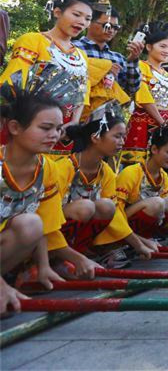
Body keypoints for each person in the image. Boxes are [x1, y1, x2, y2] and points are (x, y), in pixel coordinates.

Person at [0, 64, 81, 314]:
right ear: (14, 127)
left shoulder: (47, 167)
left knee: (31, 224)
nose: (55, 135)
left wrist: (44, 265)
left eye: (58, 129)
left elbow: (45, 223)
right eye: (45, 128)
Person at [0, 0, 107, 157]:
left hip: (64, 130)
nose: (82, 22)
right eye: (76, 14)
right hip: (30, 122)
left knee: (55, 176)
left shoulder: (81, 55)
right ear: (57, 12)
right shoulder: (33, 40)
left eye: (87, 18)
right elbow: (12, 82)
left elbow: (82, 91)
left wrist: (73, 122)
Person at [60, 102, 154, 268]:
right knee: (86, 207)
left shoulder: (106, 172)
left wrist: (138, 243)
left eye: (123, 137)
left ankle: (84, 251)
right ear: (96, 137)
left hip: (76, 235)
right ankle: (59, 257)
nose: (122, 142)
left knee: (107, 206)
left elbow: (115, 213)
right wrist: (138, 244)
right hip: (52, 235)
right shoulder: (64, 167)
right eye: (117, 136)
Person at [113, 127, 168, 247]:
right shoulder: (131, 172)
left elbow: (164, 216)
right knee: (157, 203)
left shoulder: (164, 177)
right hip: (121, 226)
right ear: (154, 149)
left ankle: (149, 237)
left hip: (142, 227)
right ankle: (133, 241)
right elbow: (117, 213)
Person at [119, 22, 168, 168]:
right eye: (162, 46)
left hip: (164, 125)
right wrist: (161, 121)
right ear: (148, 47)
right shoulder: (140, 66)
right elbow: (144, 97)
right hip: (143, 122)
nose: (167, 51)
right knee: (136, 165)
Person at [74, 6, 143, 97]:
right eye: (107, 26)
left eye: (116, 27)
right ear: (89, 23)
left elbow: (132, 89)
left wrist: (133, 60)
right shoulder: (73, 48)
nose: (112, 30)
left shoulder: (118, 58)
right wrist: (102, 69)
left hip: (107, 109)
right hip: (77, 106)